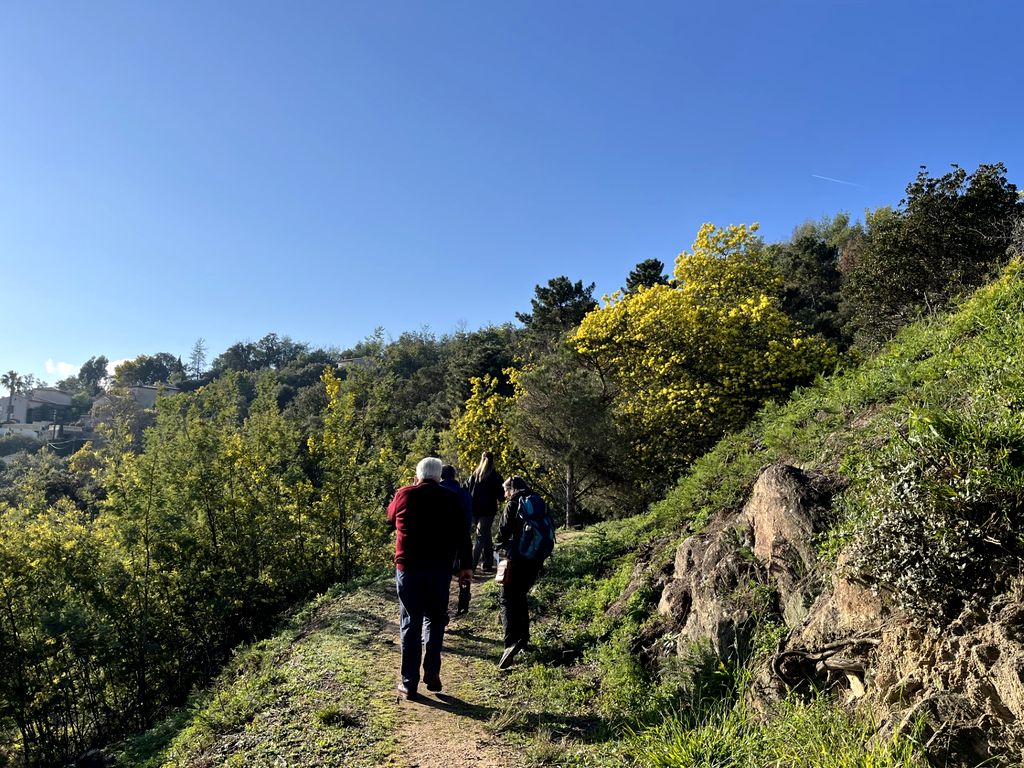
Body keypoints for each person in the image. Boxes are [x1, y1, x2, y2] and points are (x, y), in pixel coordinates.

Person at [387, 457, 473, 700]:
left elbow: (390, 517)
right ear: (439, 477)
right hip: (439, 569)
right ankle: (432, 669)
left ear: (418, 476)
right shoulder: (452, 499)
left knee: (410, 621)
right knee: (435, 619)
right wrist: (466, 567)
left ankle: (409, 683)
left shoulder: (405, 494)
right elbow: (463, 536)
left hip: (409, 569)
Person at [494, 475, 552, 670]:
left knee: (507, 598)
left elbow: (503, 531)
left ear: (511, 488)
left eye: (505, 491)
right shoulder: (538, 501)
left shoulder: (513, 504)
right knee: (520, 595)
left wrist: (498, 544)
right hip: (536, 557)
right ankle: (523, 639)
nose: (504, 495)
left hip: (518, 558)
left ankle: (510, 643)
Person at [440, 464, 474, 615]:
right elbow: (468, 518)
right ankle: (463, 603)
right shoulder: (464, 494)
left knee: (442, 578)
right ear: (453, 476)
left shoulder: (437, 492)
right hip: (461, 538)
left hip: (441, 539)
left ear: (441, 476)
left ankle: (442, 610)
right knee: (463, 572)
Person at [466, 451, 504, 571]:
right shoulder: (495, 477)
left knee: (485, 535)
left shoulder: (474, 476)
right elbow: (501, 497)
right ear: (493, 462)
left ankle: (487, 563)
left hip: (474, 511)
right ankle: (471, 568)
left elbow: (465, 490)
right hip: (488, 512)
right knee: (480, 538)